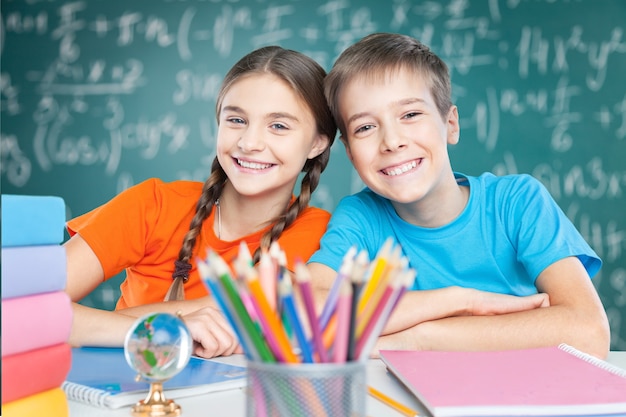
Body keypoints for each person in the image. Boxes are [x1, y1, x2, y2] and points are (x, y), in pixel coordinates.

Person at [308, 33, 610, 359]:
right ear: (351, 153)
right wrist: (459, 300)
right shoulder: (361, 216)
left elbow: (589, 331)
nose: (391, 142)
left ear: (450, 124)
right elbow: (305, 312)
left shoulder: (517, 202)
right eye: (365, 127)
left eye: (410, 115)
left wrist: (419, 339)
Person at [64, 45, 336, 358]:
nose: (249, 143)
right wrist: (170, 325)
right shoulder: (154, 205)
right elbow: (18, 309)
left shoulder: (323, 239)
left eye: (278, 126)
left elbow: (258, 311)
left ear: (317, 142)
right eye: (236, 120)